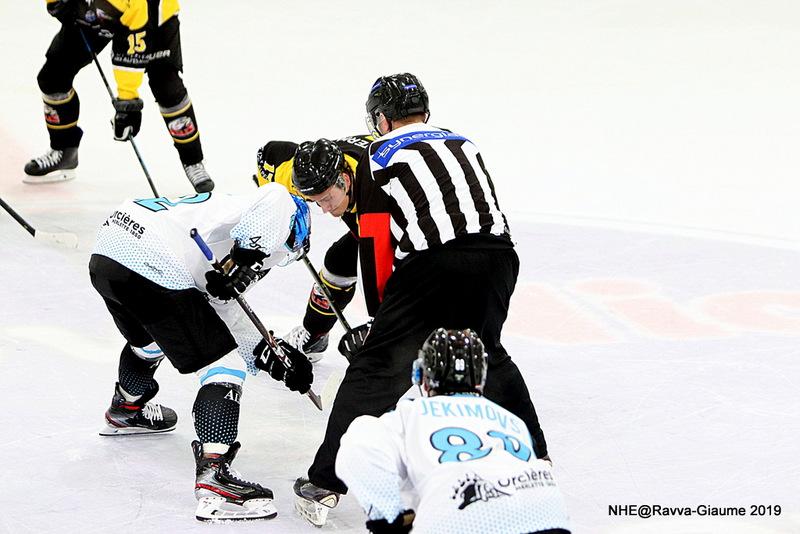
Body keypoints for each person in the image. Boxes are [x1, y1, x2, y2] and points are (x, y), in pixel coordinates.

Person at [292, 73, 549, 527]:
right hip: (499, 256)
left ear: (381, 119)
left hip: (434, 263)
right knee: (487, 354)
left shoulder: (376, 155)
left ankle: (325, 481)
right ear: (424, 112)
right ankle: (538, 461)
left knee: (376, 367)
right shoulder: (463, 141)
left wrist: (380, 324)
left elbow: (376, 241)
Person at [88, 183, 313, 521]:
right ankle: (215, 475)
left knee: (151, 341)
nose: (269, 266)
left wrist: (271, 353)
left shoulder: (221, 230)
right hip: (152, 253)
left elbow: (222, 315)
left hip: (111, 248)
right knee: (224, 366)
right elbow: (277, 198)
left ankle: (127, 407)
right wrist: (245, 258)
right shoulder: (274, 215)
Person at [336, 328, 571, 534]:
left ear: (421, 377)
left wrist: (388, 518)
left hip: (462, 515)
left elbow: (359, 444)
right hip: (548, 515)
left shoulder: (411, 414)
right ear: (481, 378)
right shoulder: (513, 422)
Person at [24, 0, 214, 192]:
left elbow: (130, 50)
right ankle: (64, 150)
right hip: (98, 9)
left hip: (152, 15)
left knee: (166, 86)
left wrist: (127, 101)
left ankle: (193, 161)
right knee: (53, 76)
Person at [253, 135, 373, 361]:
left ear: (345, 179)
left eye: (327, 198)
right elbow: (268, 155)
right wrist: (277, 207)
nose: (324, 209)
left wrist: (378, 331)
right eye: (317, 201)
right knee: (338, 261)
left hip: (418, 216)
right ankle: (315, 334)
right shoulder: (311, 173)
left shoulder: (375, 193)